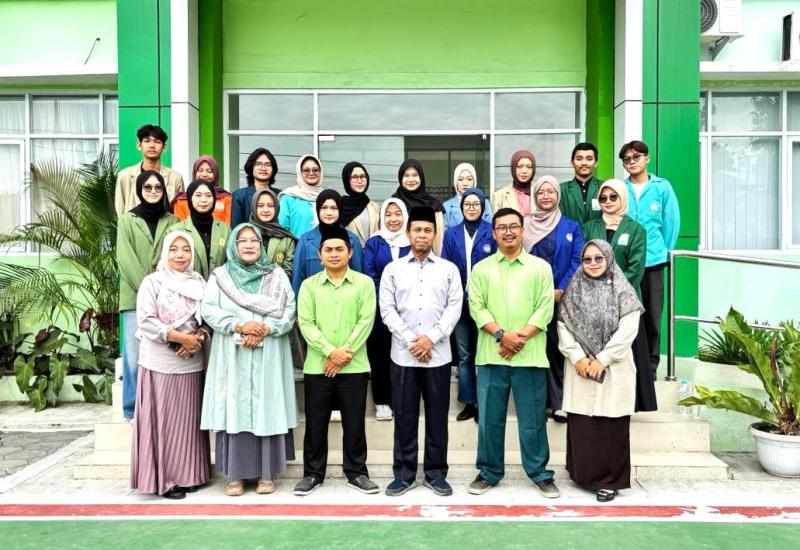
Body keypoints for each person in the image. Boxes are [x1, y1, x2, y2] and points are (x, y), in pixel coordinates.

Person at [467, 207, 559, 498]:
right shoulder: (481, 269)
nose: (508, 232)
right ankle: (489, 471)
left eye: (513, 227)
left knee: (533, 420)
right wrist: (502, 336)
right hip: (491, 355)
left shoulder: (540, 268)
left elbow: (545, 308)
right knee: (489, 419)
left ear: (522, 230)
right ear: (493, 233)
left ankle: (540, 473)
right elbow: (476, 307)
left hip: (529, 355)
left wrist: (520, 338)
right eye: (502, 228)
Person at [200, 224, 298, 497]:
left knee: (267, 407)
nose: (249, 245)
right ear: (233, 246)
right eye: (242, 241)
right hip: (233, 353)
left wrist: (265, 329)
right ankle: (236, 476)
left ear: (261, 245)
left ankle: (267, 474)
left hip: (269, 351)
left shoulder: (277, 275)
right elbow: (208, 309)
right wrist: (240, 326)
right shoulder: (220, 277)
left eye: (254, 240)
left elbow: (289, 309)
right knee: (235, 409)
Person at [379, 206, 462, 497]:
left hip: (438, 357)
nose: (422, 235)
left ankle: (436, 473)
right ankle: (404, 474)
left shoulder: (449, 270)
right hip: (403, 356)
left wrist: (431, 339)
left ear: (435, 234)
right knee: (404, 417)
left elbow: (454, 309)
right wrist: (413, 341)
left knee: (438, 417)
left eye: (428, 230)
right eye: (417, 230)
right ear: (408, 233)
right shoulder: (393, 270)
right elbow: (387, 310)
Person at [294, 223, 379, 496]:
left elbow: (366, 322)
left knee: (354, 423)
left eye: (339, 249)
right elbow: (305, 323)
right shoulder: (309, 286)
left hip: (354, 366)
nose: (333, 254)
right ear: (319, 255)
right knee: (315, 423)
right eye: (328, 250)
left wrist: (342, 354)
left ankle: (356, 472)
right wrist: (331, 352)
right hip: (318, 366)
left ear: (350, 253)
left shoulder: (364, 284)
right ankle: (312, 474)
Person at [558, 240, 644, 502]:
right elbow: (563, 325)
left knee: (611, 426)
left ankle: (610, 481)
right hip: (581, 368)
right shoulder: (574, 288)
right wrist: (578, 357)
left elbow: (628, 329)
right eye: (587, 259)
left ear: (609, 258)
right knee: (583, 425)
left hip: (614, 367)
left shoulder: (623, 290)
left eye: (598, 258)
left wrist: (603, 359)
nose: (593, 263)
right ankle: (582, 474)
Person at [131, 231, 210, 499]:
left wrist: (197, 338)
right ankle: (166, 480)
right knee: (164, 423)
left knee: (187, 423)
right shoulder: (152, 282)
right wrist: (179, 338)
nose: (180, 255)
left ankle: (189, 475)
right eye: (174, 249)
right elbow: (146, 320)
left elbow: (208, 319)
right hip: (159, 363)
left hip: (191, 361)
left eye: (186, 250)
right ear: (165, 252)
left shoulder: (199, 282)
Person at [583, 180, 657, 412]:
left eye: (613, 197)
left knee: (626, 355)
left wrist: (612, 292)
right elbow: (583, 260)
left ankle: (630, 404)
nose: (607, 202)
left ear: (623, 198)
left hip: (625, 301)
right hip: (592, 299)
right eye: (603, 198)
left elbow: (636, 269)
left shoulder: (636, 229)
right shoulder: (589, 226)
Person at [116, 170, 179, 420]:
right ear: (139, 190)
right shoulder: (126, 221)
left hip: (167, 298)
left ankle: (157, 406)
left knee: (162, 354)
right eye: (148, 187)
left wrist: (162, 291)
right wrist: (149, 289)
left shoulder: (173, 221)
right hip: (134, 297)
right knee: (134, 355)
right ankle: (132, 410)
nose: (153, 191)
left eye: (158, 187)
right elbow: (125, 259)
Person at [524, 175, 584, 423]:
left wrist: (561, 289)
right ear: (535, 196)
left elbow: (577, 260)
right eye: (541, 192)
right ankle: (536, 404)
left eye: (551, 191)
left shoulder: (571, 226)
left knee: (558, 349)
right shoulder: (525, 225)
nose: (546, 196)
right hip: (530, 298)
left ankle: (558, 403)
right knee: (533, 349)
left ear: (558, 195)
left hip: (561, 299)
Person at [620, 140, 680, 377]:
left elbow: (671, 223)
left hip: (653, 261)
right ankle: (630, 363)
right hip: (627, 263)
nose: (632, 162)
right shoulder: (621, 188)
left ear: (647, 158)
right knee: (628, 315)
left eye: (636, 157)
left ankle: (651, 367)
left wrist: (663, 251)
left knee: (653, 316)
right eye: (627, 159)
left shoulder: (662, 187)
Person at [441, 188, 496, 422]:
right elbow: (445, 267)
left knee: (483, 354)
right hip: (459, 303)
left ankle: (484, 402)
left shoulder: (491, 232)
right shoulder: (451, 234)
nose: (471, 208)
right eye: (467, 204)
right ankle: (469, 402)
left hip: (486, 303)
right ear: (461, 207)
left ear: (483, 207)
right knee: (464, 355)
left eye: (476, 204)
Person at [363, 198, 411, 421]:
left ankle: (401, 401)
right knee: (380, 357)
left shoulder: (411, 241)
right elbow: (369, 273)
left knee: (404, 356)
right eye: (388, 214)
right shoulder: (374, 242)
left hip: (408, 309)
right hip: (380, 311)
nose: (393, 219)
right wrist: (388, 300)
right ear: (382, 217)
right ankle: (381, 402)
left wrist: (402, 299)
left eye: (398, 214)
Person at [291, 189, 364, 297]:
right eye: (324, 208)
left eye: (333, 208)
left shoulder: (352, 239)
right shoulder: (305, 240)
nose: (329, 213)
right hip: (314, 301)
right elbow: (298, 278)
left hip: (346, 300)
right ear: (317, 210)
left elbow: (359, 276)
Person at [115, 124, 184, 216]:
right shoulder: (125, 176)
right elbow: (120, 210)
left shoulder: (175, 178)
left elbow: (181, 209)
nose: (152, 145)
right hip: (134, 224)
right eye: (147, 141)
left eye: (157, 142)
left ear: (164, 147)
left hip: (167, 225)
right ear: (139, 146)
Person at [168, 180, 231, 280]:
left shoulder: (225, 229)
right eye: (198, 195)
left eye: (208, 195)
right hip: (187, 287)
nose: (203, 200)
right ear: (189, 198)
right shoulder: (176, 231)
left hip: (220, 286)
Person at [391, 159, 446, 254]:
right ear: (400, 178)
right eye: (406, 175)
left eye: (415, 175)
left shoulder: (433, 205)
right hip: (397, 256)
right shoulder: (394, 203)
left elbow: (439, 240)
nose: (411, 179)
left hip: (426, 257)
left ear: (421, 177)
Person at [249, 188, 297, 277]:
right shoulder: (244, 234)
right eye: (260, 206)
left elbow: (288, 270)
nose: (266, 210)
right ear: (254, 208)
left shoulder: (286, 239)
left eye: (270, 206)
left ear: (277, 208)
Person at [172, 156, 232, 224]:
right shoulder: (181, 201)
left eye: (209, 171)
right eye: (200, 171)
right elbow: (179, 227)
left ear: (215, 174)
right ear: (195, 173)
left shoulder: (226, 199)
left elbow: (228, 226)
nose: (204, 175)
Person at [231, 148, 280, 228]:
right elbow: (236, 228)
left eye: (268, 164)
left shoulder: (280, 195)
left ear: (273, 169)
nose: (263, 168)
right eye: (258, 164)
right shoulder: (239, 196)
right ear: (251, 167)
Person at [279, 154, 324, 237]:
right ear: (300, 172)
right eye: (306, 170)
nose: (311, 173)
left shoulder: (326, 197)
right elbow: (282, 230)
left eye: (315, 170)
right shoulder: (288, 197)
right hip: (297, 245)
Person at [559, 143, 604, 225]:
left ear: (596, 163)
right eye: (579, 159)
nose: (584, 163)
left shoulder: (604, 187)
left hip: (599, 233)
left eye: (589, 159)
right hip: (570, 233)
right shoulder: (561, 190)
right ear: (572, 163)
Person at [340, 161, 380, 246]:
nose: (360, 181)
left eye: (363, 176)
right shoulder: (340, 206)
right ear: (347, 180)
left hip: (373, 253)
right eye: (355, 177)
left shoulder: (374, 207)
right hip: (351, 253)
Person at [442, 163, 492, 229]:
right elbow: (444, 232)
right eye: (460, 179)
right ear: (455, 182)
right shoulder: (447, 206)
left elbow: (490, 228)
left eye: (469, 179)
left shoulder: (485, 203)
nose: (465, 183)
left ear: (474, 181)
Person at [490, 150, 535, 217]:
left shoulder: (541, 193)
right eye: (519, 166)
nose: (524, 171)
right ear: (513, 168)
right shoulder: (499, 196)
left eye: (529, 167)